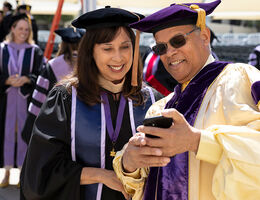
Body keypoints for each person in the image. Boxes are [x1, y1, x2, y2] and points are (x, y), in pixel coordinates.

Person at [113, 0, 260, 200]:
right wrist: (129, 164)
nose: (170, 52)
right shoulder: (160, 108)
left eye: (178, 41)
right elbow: (142, 185)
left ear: (205, 36)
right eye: (161, 48)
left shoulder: (241, 79)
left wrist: (197, 141)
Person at [20, 6, 162, 200]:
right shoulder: (66, 98)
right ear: (91, 52)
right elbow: (39, 171)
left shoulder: (152, 101)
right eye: (107, 48)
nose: (118, 57)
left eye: (125, 46)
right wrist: (101, 175)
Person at [0, 13, 43, 187]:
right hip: (5, 100)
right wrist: (5, 80)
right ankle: (7, 173)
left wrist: (27, 79)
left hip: (26, 101)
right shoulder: (2, 49)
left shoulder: (35, 51)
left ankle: (23, 172)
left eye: (27, 29)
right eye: (20, 29)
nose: (23, 32)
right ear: (12, 29)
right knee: (6, 133)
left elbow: (41, 74)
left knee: (24, 133)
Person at [21, 27, 85, 144]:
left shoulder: (52, 65)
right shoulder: (89, 64)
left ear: (63, 44)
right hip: (85, 125)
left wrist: (30, 128)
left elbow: (39, 100)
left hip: (58, 125)